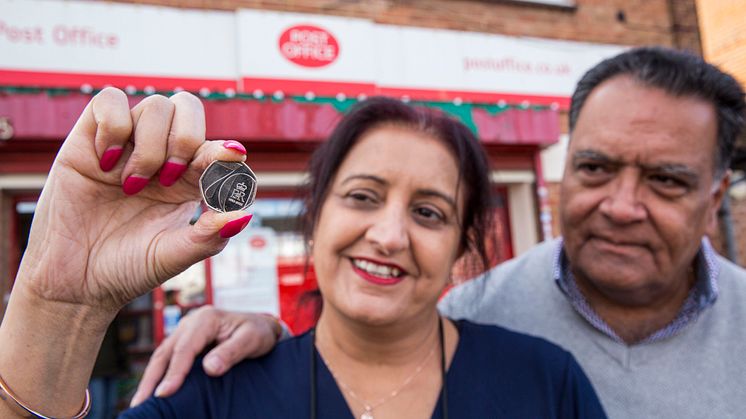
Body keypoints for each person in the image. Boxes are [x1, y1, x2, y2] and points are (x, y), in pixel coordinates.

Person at [136, 46, 746, 419]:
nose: (621, 206)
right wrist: (274, 338)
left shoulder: (539, 375)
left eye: (665, 180)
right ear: (315, 216)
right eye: (595, 167)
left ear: (715, 195)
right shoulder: (475, 308)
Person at [0, 95, 606, 418]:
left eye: (429, 213)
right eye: (363, 197)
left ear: (461, 248)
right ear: (316, 220)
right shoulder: (215, 393)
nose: (389, 236)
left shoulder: (546, 384)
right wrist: (59, 303)